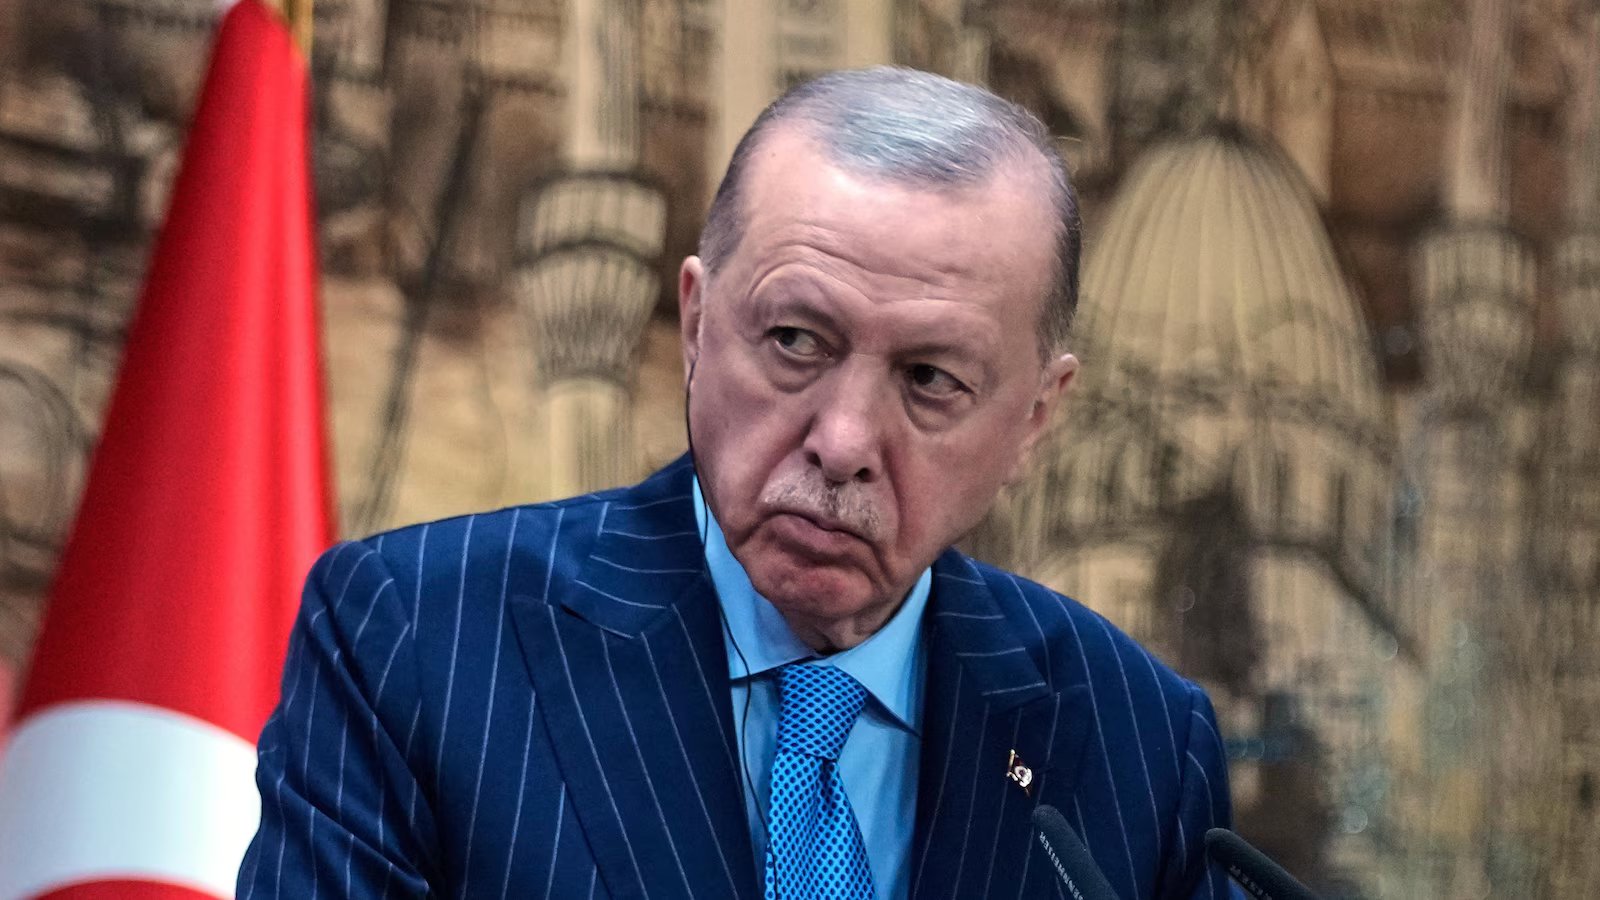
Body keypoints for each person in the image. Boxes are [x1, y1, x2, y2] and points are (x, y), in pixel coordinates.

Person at [238, 66, 1235, 900]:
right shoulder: (418, 641)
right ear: (696, 322)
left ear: (1034, 420)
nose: (842, 441)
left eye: (931, 380)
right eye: (795, 339)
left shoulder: (1136, 741)